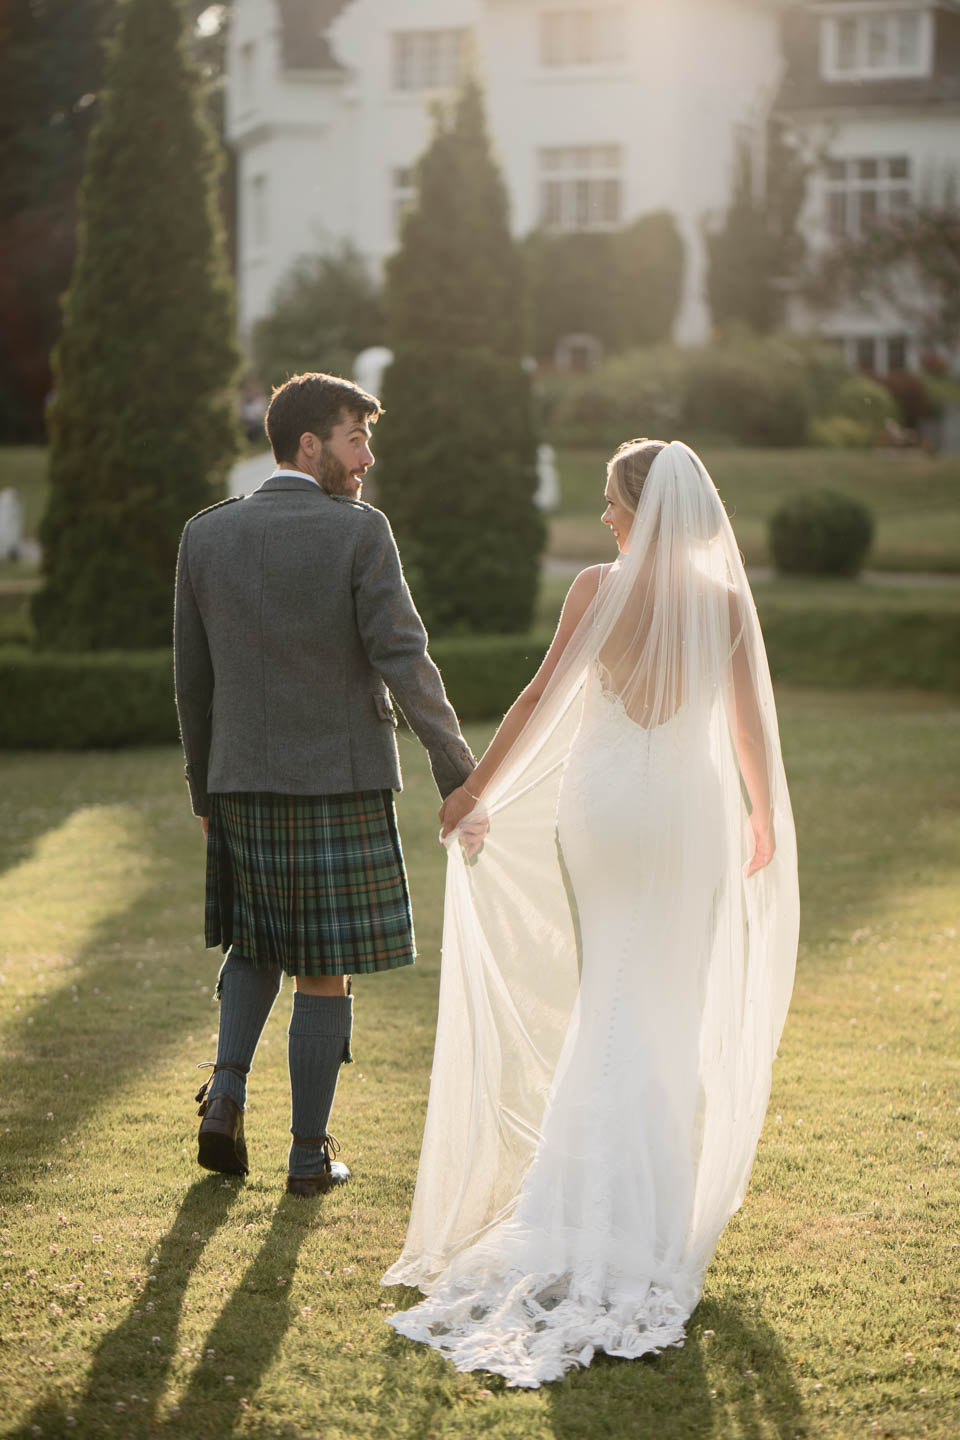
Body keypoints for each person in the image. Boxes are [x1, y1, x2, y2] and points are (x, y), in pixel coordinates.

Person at [383, 439, 799, 1386]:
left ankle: (584, 1201)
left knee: (613, 986)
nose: (606, 513)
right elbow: (747, 728)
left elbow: (540, 695)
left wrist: (472, 791)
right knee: (659, 999)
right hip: (690, 812)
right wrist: (763, 815)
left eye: (613, 500)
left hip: (606, 807)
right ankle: (640, 1212)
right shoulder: (725, 604)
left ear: (640, 510)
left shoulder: (595, 589)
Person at [173, 372, 476, 1198]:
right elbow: (404, 662)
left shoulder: (205, 536)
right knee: (323, 966)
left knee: (254, 942)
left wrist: (206, 794)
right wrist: (461, 774)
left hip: (240, 784)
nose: (365, 457)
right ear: (309, 445)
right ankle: (308, 1157)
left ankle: (225, 1095)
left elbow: (190, 684)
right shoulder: (359, 533)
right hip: (338, 785)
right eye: (355, 439)